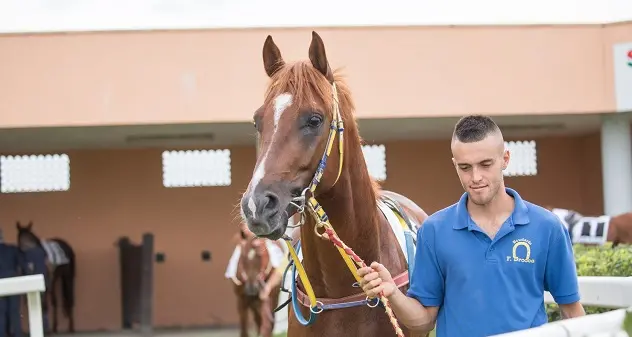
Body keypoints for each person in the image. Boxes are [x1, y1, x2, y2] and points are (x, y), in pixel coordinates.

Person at [358, 115, 585, 337]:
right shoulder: (434, 231)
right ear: (455, 164)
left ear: (505, 159)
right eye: (465, 167)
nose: (475, 177)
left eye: (485, 164)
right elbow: (423, 322)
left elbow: (572, 311)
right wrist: (392, 293)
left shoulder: (547, 227)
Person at [224, 222, 288, 301]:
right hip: (250, 241)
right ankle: (236, 275)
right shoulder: (242, 241)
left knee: (273, 250)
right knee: (236, 256)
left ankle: (272, 277)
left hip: (264, 237)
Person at [0, 229, 23, 337]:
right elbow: (21, 265)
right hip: (13, 283)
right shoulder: (12, 249)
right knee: (15, 311)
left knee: (1, 312)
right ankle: (17, 334)